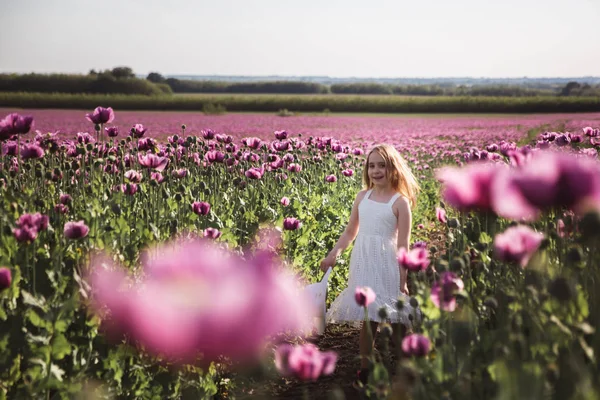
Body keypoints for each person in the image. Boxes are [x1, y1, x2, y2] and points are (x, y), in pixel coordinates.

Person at [320, 143, 420, 384]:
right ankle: (365, 368)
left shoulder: (400, 202)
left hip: (387, 262)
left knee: (396, 318)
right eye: (371, 165)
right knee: (368, 316)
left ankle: (406, 363)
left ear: (393, 168)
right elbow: (349, 232)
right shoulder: (362, 197)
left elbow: (403, 245)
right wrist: (334, 254)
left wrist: (403, 279)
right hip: (363, 260)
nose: (376, 171)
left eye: (382, 165)